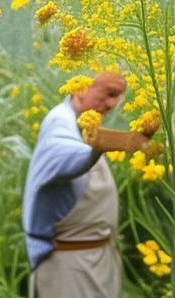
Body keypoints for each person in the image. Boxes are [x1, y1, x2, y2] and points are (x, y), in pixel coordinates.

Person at [22, 71, 159, 298]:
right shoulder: (59, 120)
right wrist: (122, 142)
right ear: (80, 87)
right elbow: (64, 157)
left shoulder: (82, 126)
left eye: (118, 97)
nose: (113, 104)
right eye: (110, 93)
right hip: (70, 270)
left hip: (96, 261)